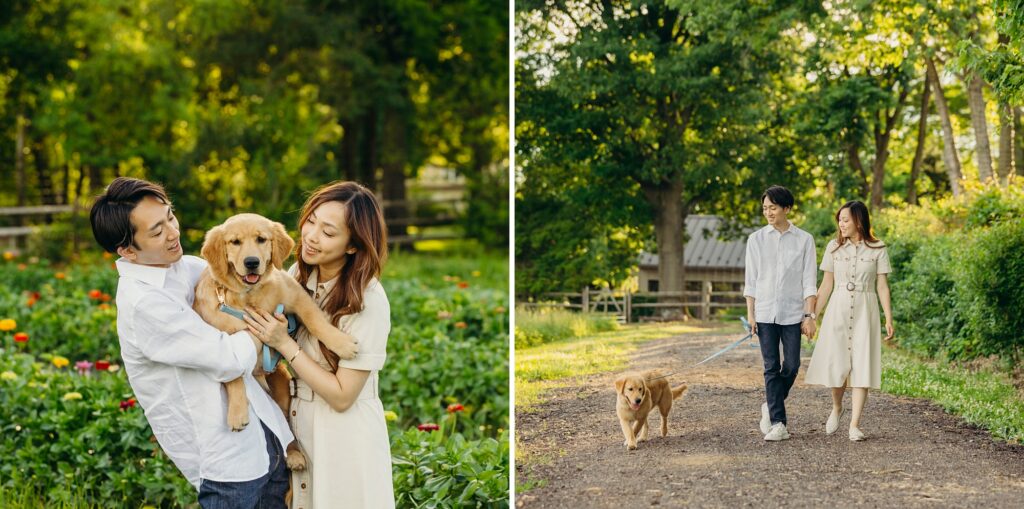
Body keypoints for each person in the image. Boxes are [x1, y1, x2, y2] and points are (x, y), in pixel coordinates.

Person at [89, 177, 293, 508]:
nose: (173, 232)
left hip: (266, 434)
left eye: (170, 217)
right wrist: (267, 326)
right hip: (227, 461)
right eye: (157, 231)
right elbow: (229, 358)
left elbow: (261, 287)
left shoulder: (186, 267)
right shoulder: (144, 304)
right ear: (127, 250)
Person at [245, 181, 395, 508]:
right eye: (311, 221)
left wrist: (285, 343)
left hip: (344, 436)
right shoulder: (298, 273)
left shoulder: (368, 300)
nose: (311, 236)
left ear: (353, 246)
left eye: (328, 233)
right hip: (299, 423)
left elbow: (343, 396)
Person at [805, 200, 894, 441]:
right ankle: (837, 407)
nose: (841, 224)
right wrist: (812, 314)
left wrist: (888, 316)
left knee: (862, 364)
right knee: (837, 364)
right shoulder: (834, 248)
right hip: (838, 307)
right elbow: (825, 285)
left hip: (867, 308)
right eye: (840, 220)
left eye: (846, 220)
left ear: (859, 221)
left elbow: (882, 286)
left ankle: (854, 425)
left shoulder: (878, 248)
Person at [743, 185, 818, 442]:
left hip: (792, 313)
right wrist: (751, 314)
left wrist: (810, 316)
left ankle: (770, 403)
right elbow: (750, 281)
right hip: (764, 312)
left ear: (786, 208)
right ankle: (778, 422)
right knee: (770, 367)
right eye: (765, 208)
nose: (768, 212)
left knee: (793, 365)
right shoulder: (756, 240)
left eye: (772, 208)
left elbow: (810, 281)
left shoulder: (804, 240)